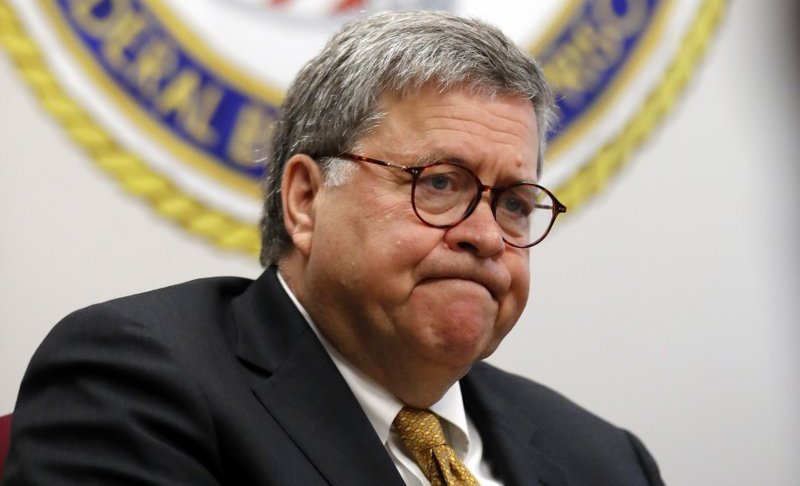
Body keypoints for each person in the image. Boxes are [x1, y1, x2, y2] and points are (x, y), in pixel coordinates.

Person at [4, 11, 664, 485]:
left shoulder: (605, 460)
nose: (487, 236)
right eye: (439, 183)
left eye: (515, 203)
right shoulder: (138, 384)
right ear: (304, 201)